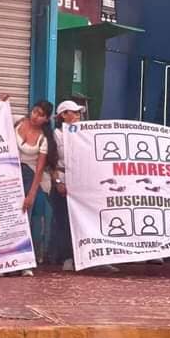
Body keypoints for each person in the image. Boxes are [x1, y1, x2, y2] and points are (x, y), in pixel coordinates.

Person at [51, 100, 119, 272]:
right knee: (65, 221)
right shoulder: (55, 135)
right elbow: (49, 162)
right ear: (63, 115)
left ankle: (97, 257)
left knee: (93, 218)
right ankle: (67, 258)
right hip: (64, 179)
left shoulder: (86, 134)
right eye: (74, 112)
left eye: (79, 112)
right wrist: (58, 181)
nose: (78, 115)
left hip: (85, 182)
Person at [14, 100, 58, 276]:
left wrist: (31, 195)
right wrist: (0, 104)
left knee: (27, 216)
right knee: (4, 216)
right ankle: (4, 261)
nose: (35, 116)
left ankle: (25, 263)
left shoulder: (44, 139)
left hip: (29, 177)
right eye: (34, 111)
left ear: (46, 119)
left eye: (40, 114)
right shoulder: (17, 122)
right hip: (9, 173)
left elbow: (39, 170)